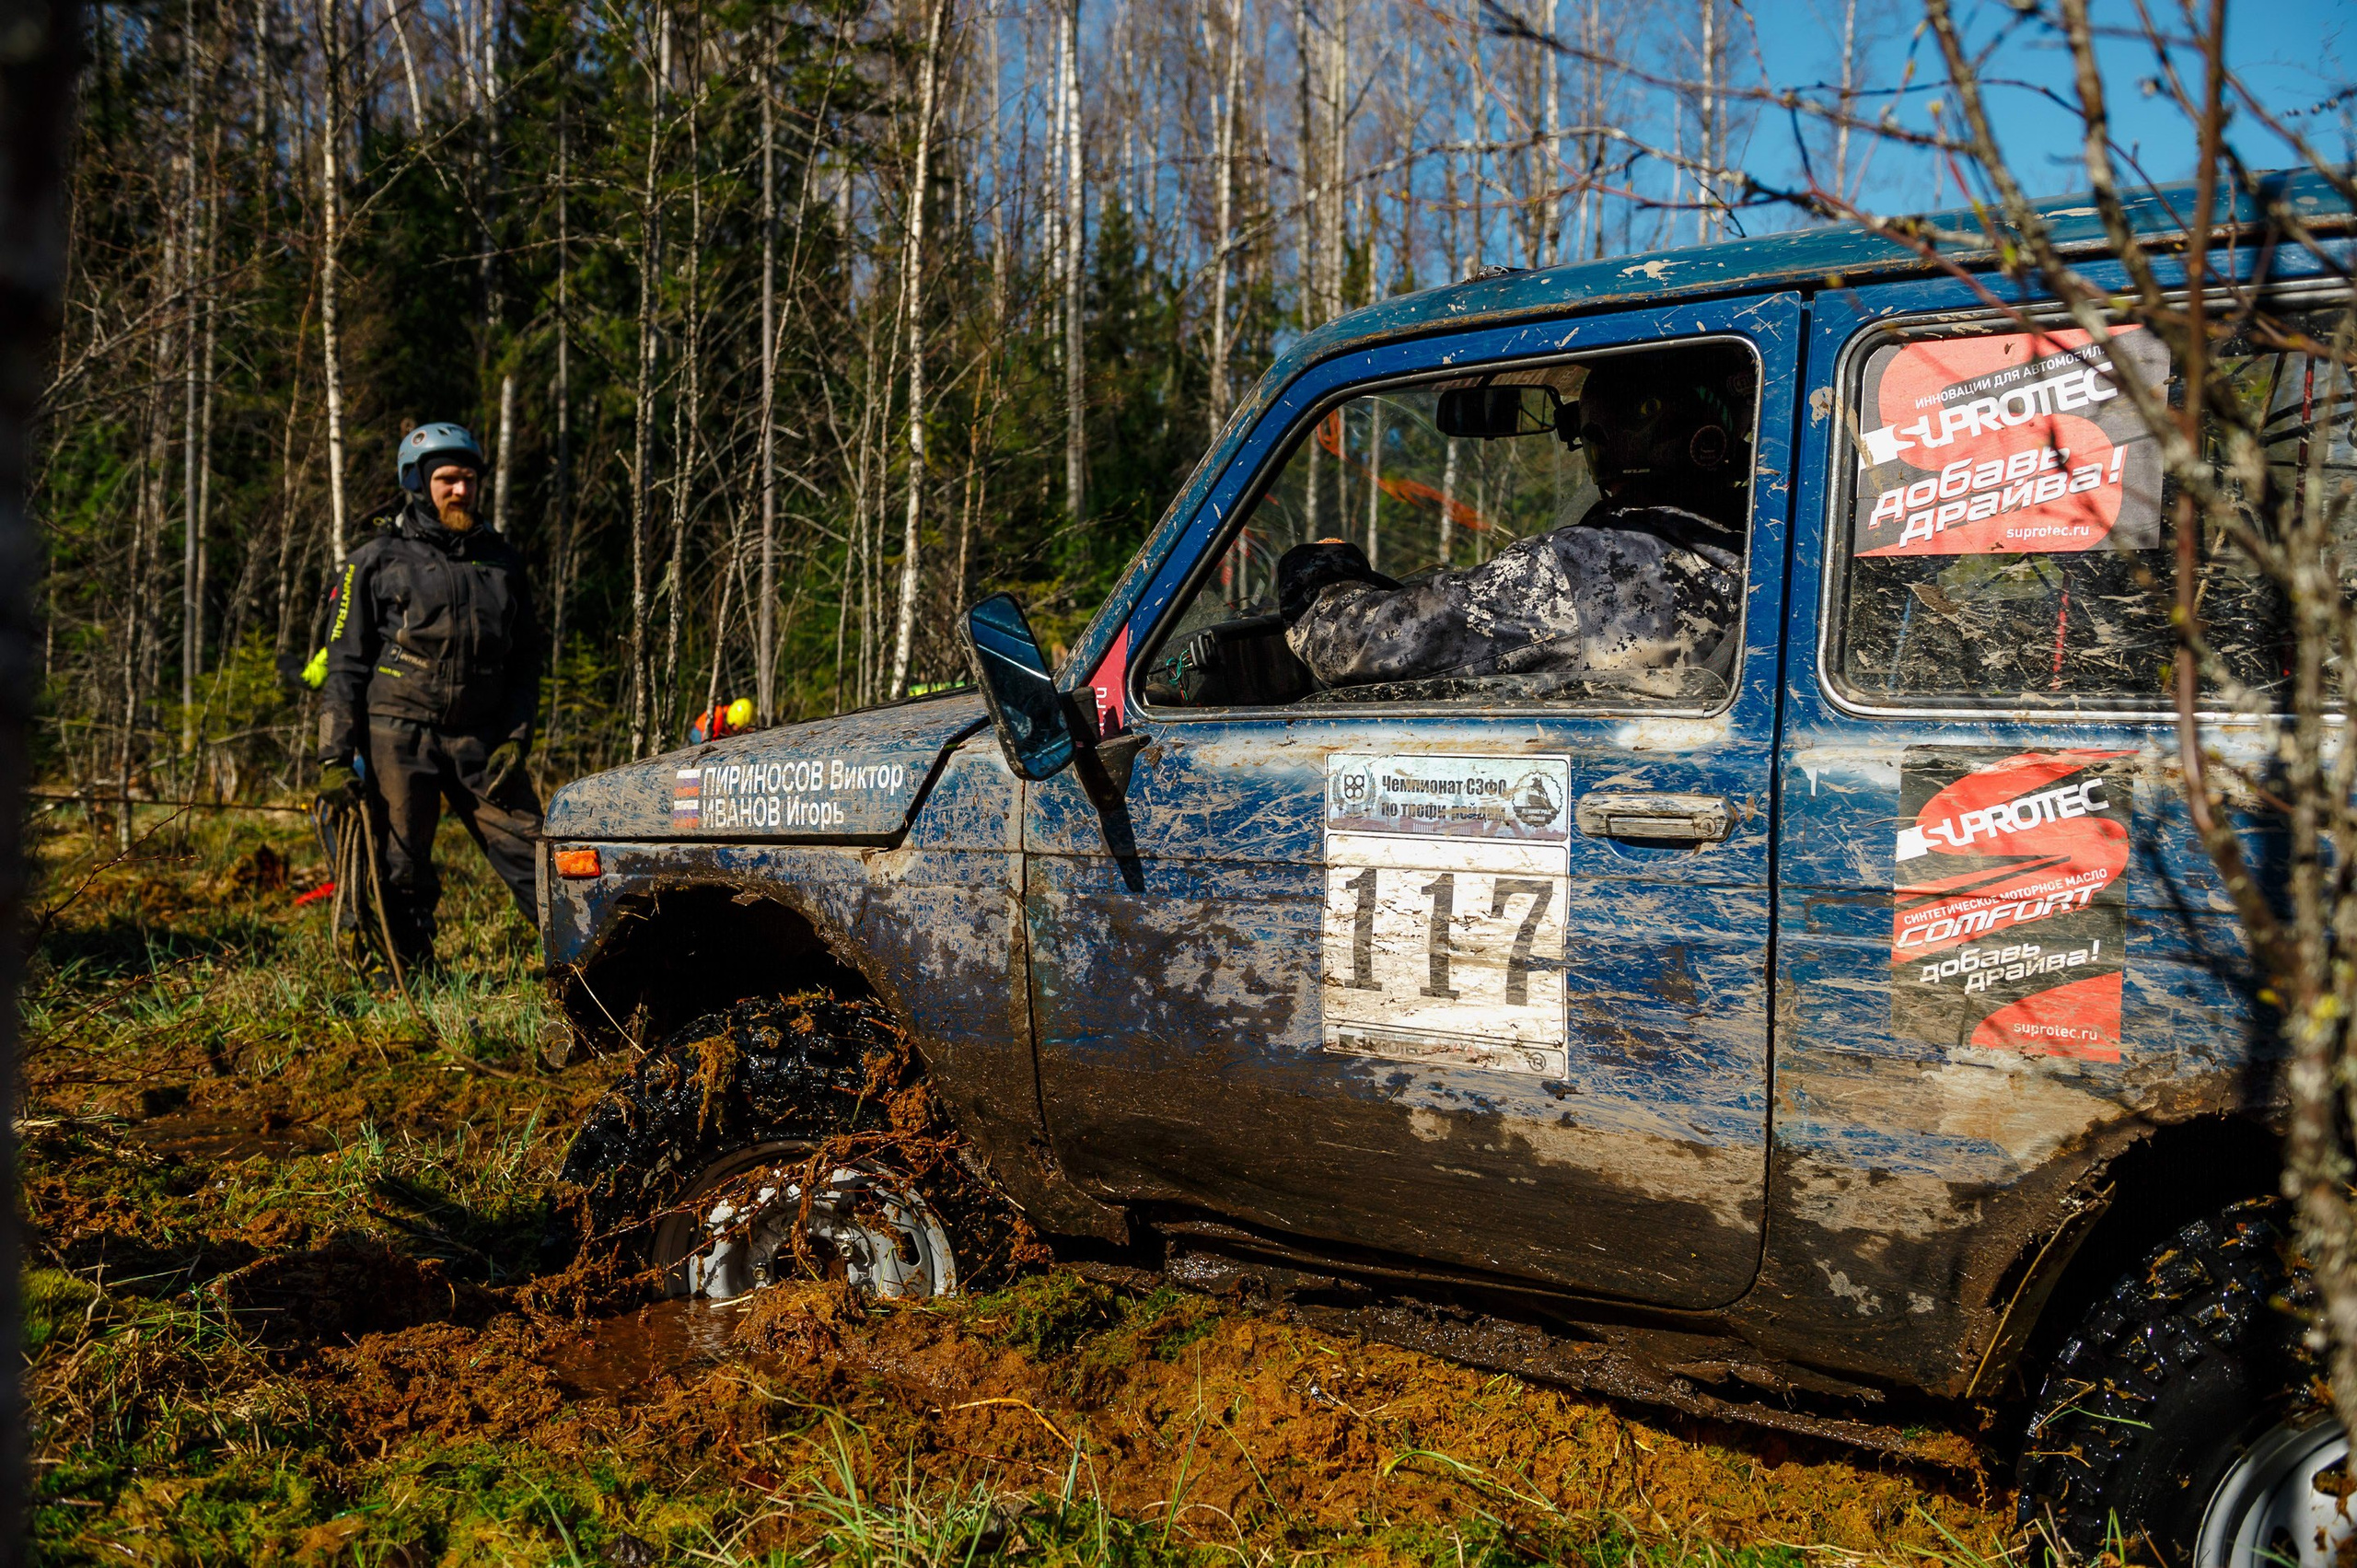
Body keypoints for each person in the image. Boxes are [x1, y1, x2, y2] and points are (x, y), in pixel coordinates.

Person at [1277, 353, 1751, 692]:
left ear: (1601, 440)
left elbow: (1353, 647)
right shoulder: (1757, 544)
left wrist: (1321, 571)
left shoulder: (1588, 565)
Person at [315, 422, 543, 969]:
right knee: (398, 864)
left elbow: (526, 663)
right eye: (447, 480)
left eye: (469, 479)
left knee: (537, 853)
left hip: (483, 738)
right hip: (397, 734)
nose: (461, 490)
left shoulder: (503, 562)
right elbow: (344, 664)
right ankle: (405, 970)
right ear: (416, 482)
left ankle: (588, 961)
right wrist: (333, 757)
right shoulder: (375, 559)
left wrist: (516, 739)